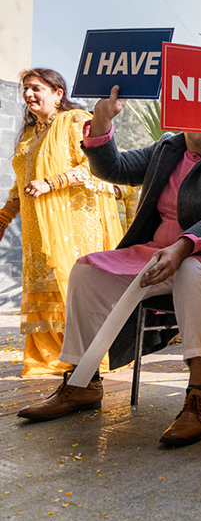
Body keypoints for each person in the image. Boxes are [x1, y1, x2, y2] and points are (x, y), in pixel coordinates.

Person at [16, 86, 201, 448]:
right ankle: (81, 382)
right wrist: (102, 120)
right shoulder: (168, 148)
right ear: (185, 118)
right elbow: (114, 168)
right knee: (87, 270)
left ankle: (200, 396)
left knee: (193, 272)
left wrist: (181, 248)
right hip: (153, 252)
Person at [0, 69, 123, 377]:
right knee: (46, 284)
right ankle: (50, 356)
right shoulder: (30, 135)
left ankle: (86, 355)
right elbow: (21, 185)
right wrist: (3, 218)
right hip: (37, 228)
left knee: (72, 284)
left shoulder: (75, 121)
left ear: (57, 93)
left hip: (74, 224)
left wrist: (53, 182)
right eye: (25, 89)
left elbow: (97, 165)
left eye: (36, 88)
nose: (28, 94)